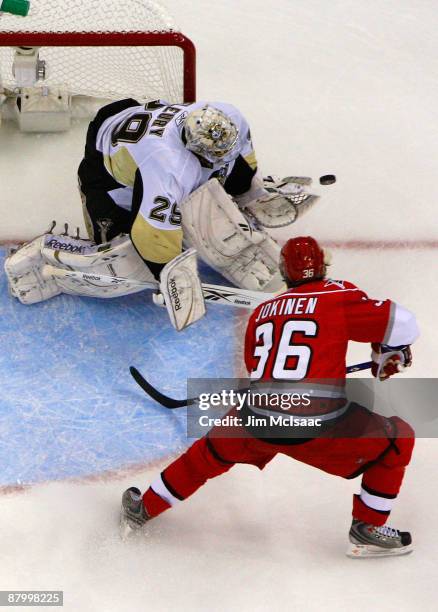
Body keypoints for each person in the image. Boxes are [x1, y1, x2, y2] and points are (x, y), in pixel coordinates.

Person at [120, 236, 420, 558]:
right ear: (322, 265)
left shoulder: (261, 312)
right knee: (397, 438)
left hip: (257, 415)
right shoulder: (337, 294)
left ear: (284, 273)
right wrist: (389, 352)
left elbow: (259, 370)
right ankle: (368, 526)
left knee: (205, 456)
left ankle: (143, 508)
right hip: (313, 423)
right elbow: (404, 325)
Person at [5, 100, 320, 328]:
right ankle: (46, 260)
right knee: (123, 267)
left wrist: (250, 193)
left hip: (133, 124)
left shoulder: (229, 117)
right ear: (190, 144)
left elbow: (240, 159)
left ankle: (235, 241)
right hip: (109, 175)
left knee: (201, 198)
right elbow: (151, 235)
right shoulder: (167, 165)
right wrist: (168, 275)